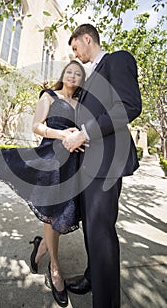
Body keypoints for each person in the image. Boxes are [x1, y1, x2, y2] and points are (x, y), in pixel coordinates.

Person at [0, 60, 86, 307]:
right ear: (63, 74)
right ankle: (55, 270)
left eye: (77, 73)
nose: (72, 75)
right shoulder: (49, 96)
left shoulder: (82, 103)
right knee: (51, 215)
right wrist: (63, 134)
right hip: (50, 161)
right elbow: (37, 126)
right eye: (69, 71)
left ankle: (40, 247)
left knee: (61, 216)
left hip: (74, 166)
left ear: (81, 79)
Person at [62, 24, 142, 308]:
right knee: (90, 229)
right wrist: (75, 133)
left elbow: (129, 106)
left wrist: (85, 133)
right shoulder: (88, 76)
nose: (74, 53)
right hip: (87, 163)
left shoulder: (118, 59)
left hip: (107, 162)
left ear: (87, 39)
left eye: (75, 47)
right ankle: (92, 277)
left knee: (101, 231)